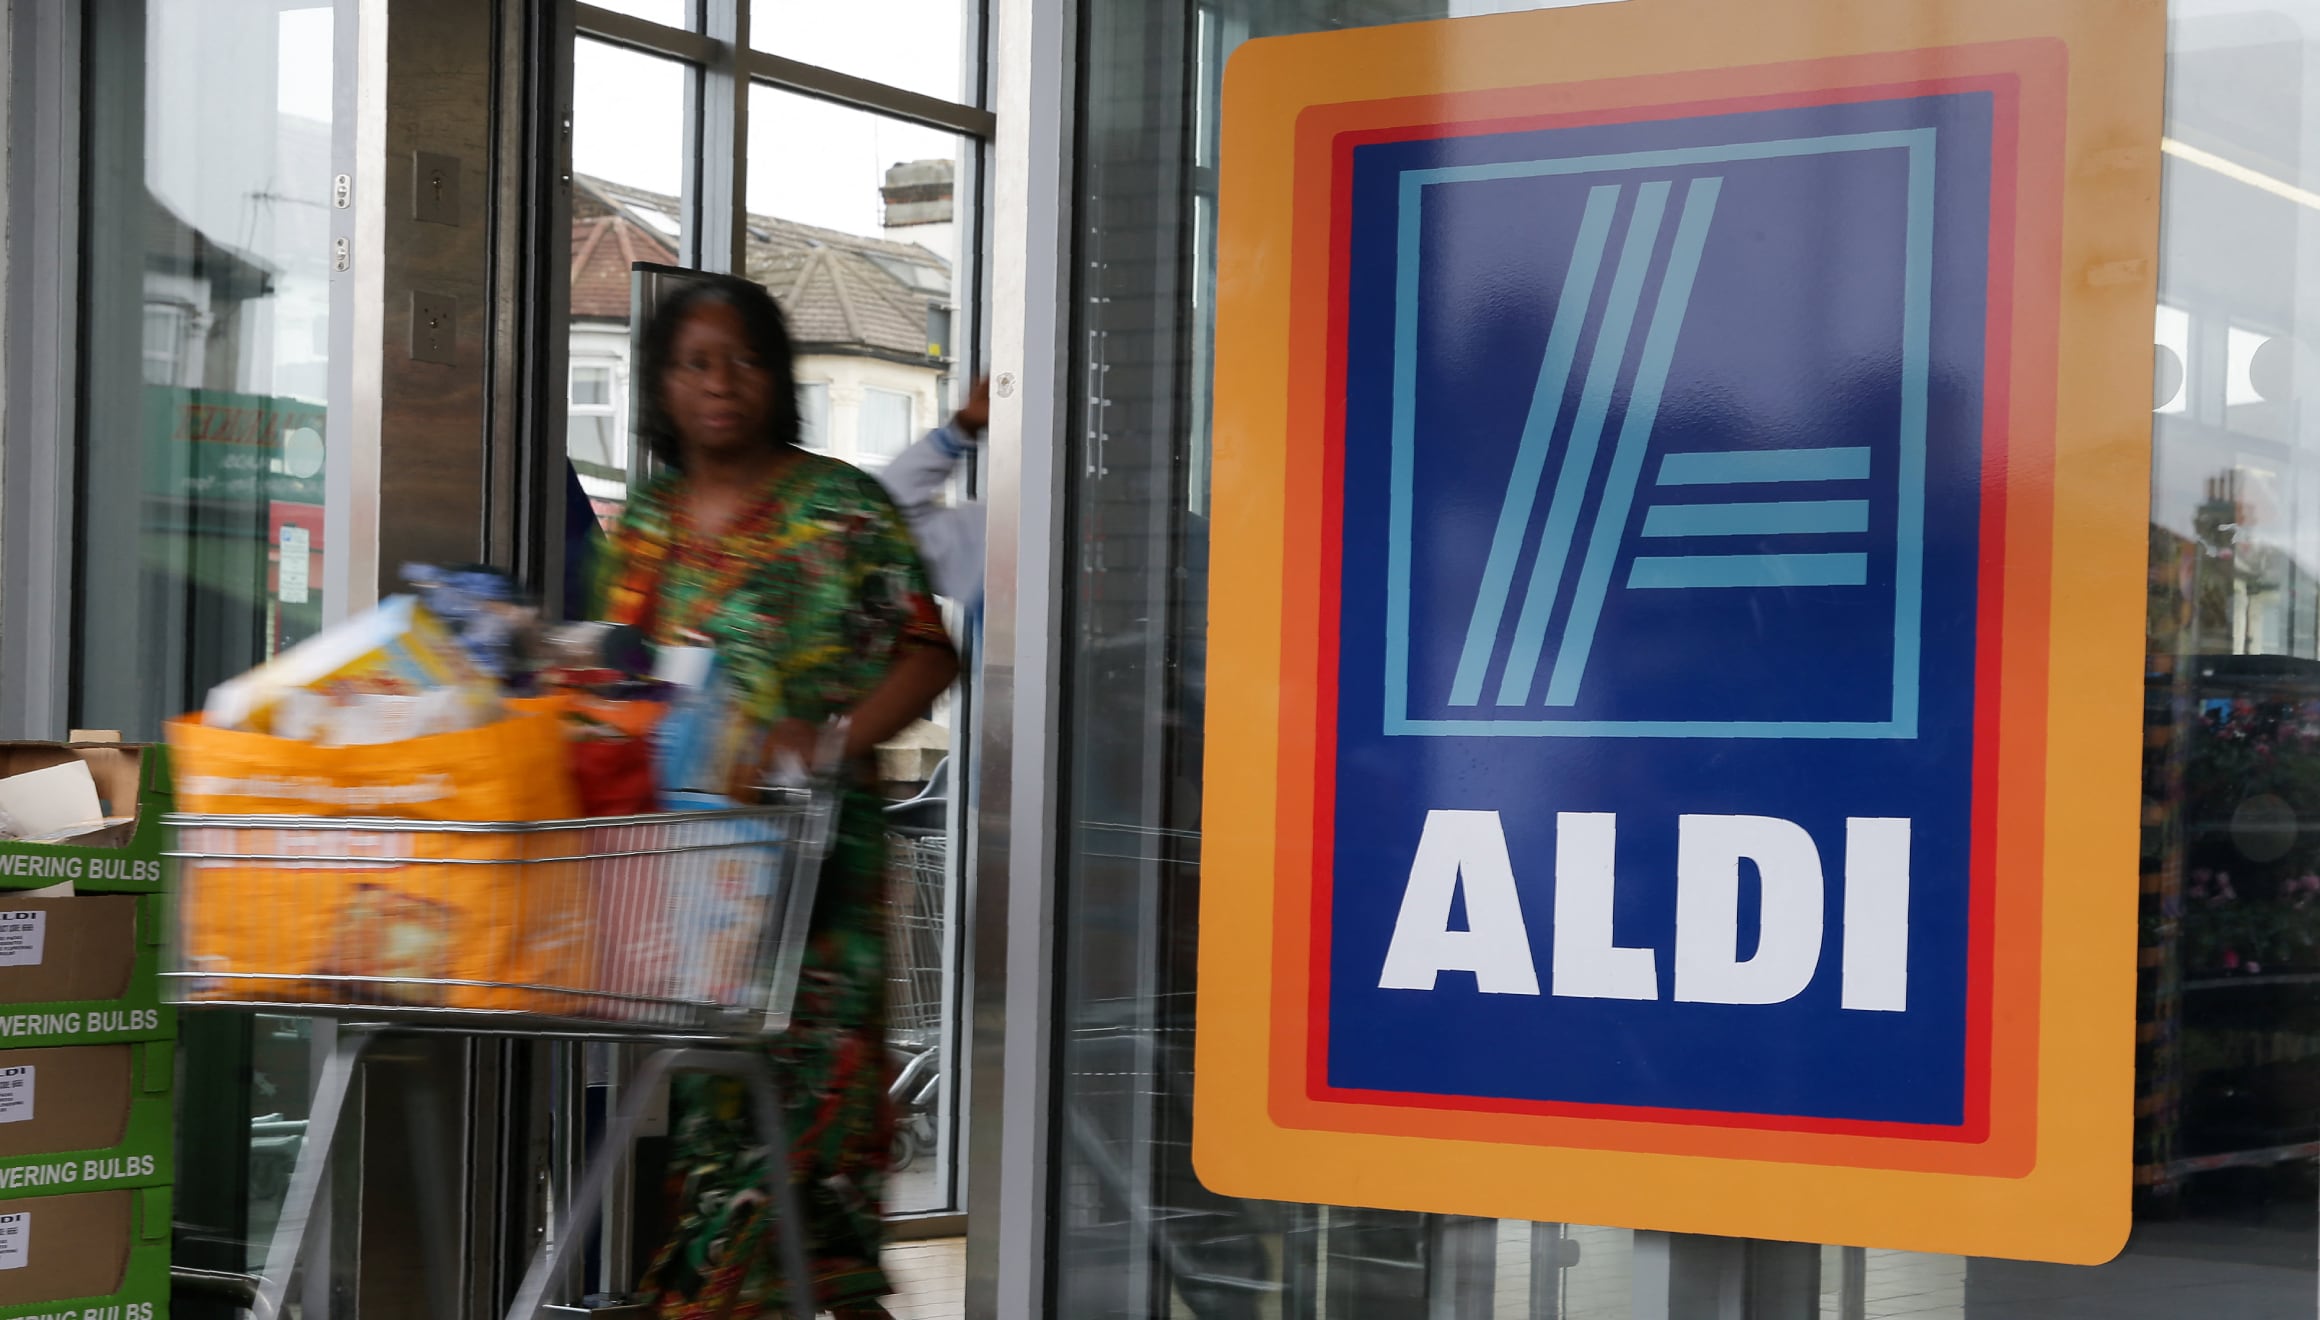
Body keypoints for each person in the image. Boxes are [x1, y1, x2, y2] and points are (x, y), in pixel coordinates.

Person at [594, 273, 959, 1319]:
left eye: (745, 360)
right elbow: (624, 682)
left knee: (814, 1148)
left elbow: (930, 655)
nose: (721, 384)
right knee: (719, 1134)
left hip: (816, 883)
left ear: (778, 379)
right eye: (696, 364)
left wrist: (831, 738)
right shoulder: (648, 524)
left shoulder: (841, 509)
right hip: (694, 891)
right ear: (661, 387)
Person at [875, 376, 988, 609]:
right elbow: (914, 471)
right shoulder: (874, 513)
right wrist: (964, 424)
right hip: (994, 548)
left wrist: (965, 424)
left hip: (982, 587)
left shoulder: (877, 513)